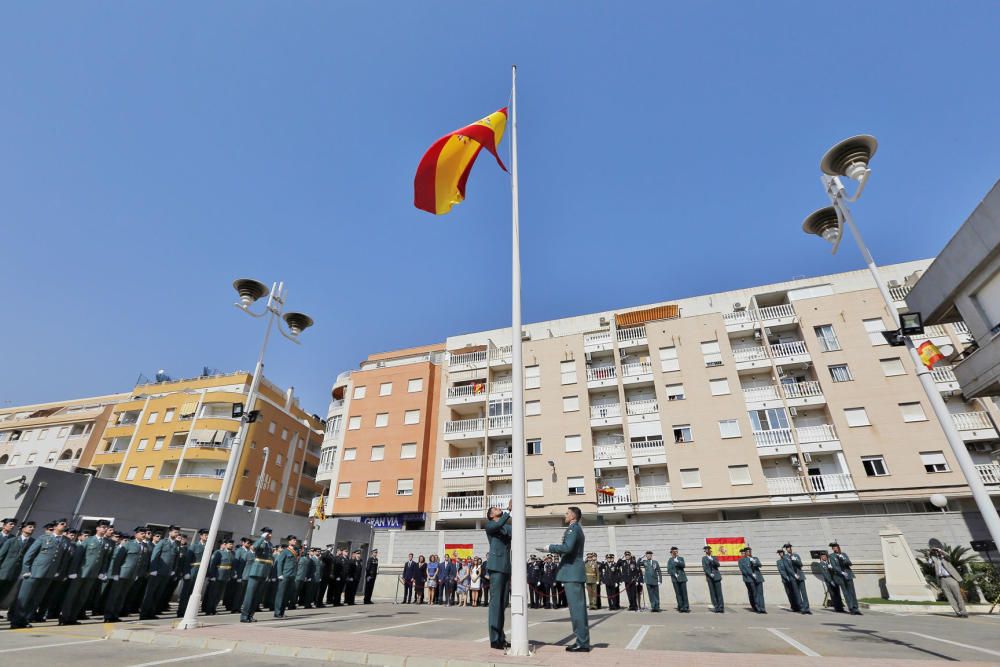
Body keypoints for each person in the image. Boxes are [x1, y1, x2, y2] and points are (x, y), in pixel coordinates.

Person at [541, 507, 589, 652]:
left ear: (573, 516)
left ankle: (582, 642)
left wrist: (550, 547)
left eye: (567, 513)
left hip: (572, 573)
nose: (565, 515)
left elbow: (567, 548)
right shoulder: (575, 529)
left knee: (577, 610)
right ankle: (581, 640)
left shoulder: (573, 529)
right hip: (573, 573)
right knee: (576, 610)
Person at [60, 520, 112, 625]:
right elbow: (78, 556)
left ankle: (73, 617)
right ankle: (64, 617)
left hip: (93, 574)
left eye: (106, 527)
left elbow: (105, 559)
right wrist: (73, 570)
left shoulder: (106, 542)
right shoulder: (88, 540)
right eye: (102, 527)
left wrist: (103, 571)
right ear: (97, 528)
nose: (104, 529)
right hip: (81, 572)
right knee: (72, 595)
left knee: (82, 596)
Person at [485, 503, 512, 650]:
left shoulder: (505, 526)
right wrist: (509, 511)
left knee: (503, 603)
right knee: (495, 604)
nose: (498, 509)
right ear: (491, 515)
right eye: (495, 509)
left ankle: (501, 637)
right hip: (496, 566)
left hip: (506, 566)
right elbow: (498, 525)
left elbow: (514, 530)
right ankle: (494, 639)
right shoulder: (490, 525)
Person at [140, 525, 180, 620]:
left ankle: (152, 613)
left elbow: (176, 559)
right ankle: (144, 614)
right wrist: (153, 569)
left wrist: (173, 570)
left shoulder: (176, 544)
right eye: (175, 532)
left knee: (158, 593)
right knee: (150, 593)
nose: (176, 534)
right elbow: (155, 555)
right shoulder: (162, 542)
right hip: (157, 572)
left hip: (166, 573)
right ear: (170, 532)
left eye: (177, 532)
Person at [0, 521, 35, 616]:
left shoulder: (33, 542)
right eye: (30, 526)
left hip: (18, 573)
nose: (32, 529)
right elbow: (1, 556)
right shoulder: (11, 541)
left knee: (5, 592)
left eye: (33, 527)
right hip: (4, 571)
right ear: (23, 529)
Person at [240, 527, 274, 623]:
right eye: (268, 534)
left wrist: (268, 574)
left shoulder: (270, 544)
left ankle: (250, 615)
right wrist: (261, 538)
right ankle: (244, 616)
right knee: (250, 595)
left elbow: (269, 560)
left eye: (270, 534)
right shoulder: (260, 542)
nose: (270, 535)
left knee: (257, 596)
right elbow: (254, 547)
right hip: (255, 572)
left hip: (264, 573)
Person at [176, 528, 208, 617]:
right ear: (201, 536)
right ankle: (181, 611)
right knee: (186, 591)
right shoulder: (194, 546)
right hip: (193, 569)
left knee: (195, 592)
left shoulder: (208, 546)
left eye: (208, 535)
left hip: (201, 571)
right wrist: (186, 572)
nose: (207, 537)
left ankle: (189, 610)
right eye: (205, 535)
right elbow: (187, 560)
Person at [928, 547, 967, 618]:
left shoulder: (945, 558)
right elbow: (930, 565)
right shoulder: (935, 560)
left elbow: (948, 555)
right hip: (942, 580)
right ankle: (958, 612)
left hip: (951, 578)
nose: (936, 553)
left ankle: (963, 612)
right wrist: (930, 555)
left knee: (958, 596)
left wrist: (940, 550)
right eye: (935, 552)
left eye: (937, 552)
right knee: (950, 597)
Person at [204, 538, 235, 615]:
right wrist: (212, 575)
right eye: (229, 544)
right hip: (217, 575)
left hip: (225, 576)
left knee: (219, 594)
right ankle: (209, 610)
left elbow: (231, 566)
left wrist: (230, 575)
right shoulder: (219, 552)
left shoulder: (232, 554)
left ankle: (214, 608)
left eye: (232, 544)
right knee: (213, 594)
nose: (231, 545)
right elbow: (213, 564)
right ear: (225, 545)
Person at [829, 542, 861, 615]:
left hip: (848, 574)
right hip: (841, 576)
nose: (834, 548)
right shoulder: (832, 556)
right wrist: (841, 572)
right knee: (846, 592)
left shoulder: (844, 554)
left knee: (852, 592)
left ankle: (856, 608)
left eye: (836, 547)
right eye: (833, 548)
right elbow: (834, 566)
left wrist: (843, 559)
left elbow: (849, 563)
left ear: (838, 547)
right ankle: (851, 608)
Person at [782, 543, 810, 614]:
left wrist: (795, 560)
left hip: (800, 575)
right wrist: (794, 574)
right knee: (797, 593)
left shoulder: (796, 555)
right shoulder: (785, 557)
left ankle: (806, 608)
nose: (789, 549)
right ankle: (801, 608)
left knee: (804, 593)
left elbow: (800, 564)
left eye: (790, 547)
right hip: (793, 577)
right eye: (788, 548)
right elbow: (787, 568)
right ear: (786, 549)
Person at [738, 547, 765, 613]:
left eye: (750, 551)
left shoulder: (755, 558)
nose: (749, 552)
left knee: (760, 594)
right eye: (747, 551)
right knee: (754, 593)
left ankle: (762, 608)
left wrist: (754, 562)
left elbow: (760, 565)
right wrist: (751, 574)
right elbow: (744, 570)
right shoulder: (742, 560)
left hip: (758, 578)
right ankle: (757, 608)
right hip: (750, 579)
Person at [666, 547, 689, 612]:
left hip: (682, 578)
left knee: (684, 593)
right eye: (673, 552)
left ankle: (686, 606)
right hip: (675, 579)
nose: (675, 553)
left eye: (676, 551)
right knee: (678, 593)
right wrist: (674, 574)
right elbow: (669, 569)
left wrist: (678, 561)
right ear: (671, 553)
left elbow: (683, 565)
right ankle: (681, 606)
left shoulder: (681, 558)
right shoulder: (670, 560)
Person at [702, 545, 724, 613]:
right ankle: (716, 606)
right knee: (712, 593)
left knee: (719, 592)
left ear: (710, 551)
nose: (707, 551)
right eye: (706, 550)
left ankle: (721, 607)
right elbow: (705, 568)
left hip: (717, 576)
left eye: (708, 549)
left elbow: (718, 564)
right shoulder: (704, 558)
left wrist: (713, 560)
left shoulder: (714, 557)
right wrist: (709, 573)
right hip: (710, 577)